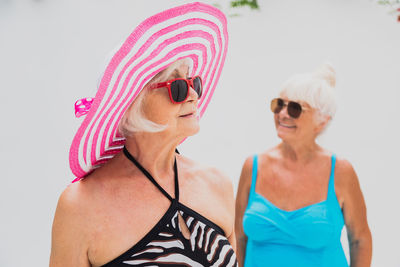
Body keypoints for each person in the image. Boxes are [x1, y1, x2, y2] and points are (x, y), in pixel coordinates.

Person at [50, 3, 237, 267]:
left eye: (194, 82)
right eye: (178, 87)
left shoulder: (217, 184)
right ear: (133, 102)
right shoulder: (81, 205)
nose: (194, 95)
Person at [235, 64, 372, 267]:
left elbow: (360, 240)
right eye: (279, 104)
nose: (282, 114)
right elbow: (238, 238)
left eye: (295, 108)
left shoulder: (341, 172)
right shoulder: (252, 166)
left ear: (322, 122)